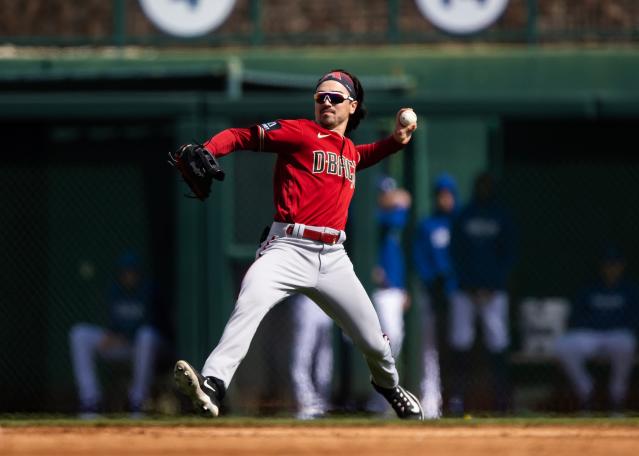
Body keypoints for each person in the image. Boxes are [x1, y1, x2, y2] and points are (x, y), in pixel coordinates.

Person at [173, 69, 424, 420]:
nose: (325, 101)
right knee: (249, 304)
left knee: (374, 343)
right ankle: (213, 384)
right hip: (287, 248)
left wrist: (397, 140)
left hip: (334, 258)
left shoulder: (349, 151)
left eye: (334, 97)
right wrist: (210, 148)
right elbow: (241, 135)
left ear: (352, 106)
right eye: (320, 96)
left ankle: (391, 387)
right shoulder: (301, 131)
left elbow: (368, 154)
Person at [448, 171, 517, 415]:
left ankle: (502, 399)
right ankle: (457, 398)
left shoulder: (502, 215)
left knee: (498, 341)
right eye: (481, 185)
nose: (484, 189)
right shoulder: (464, 215)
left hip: (493, 292)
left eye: (488, 185)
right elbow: (456, 253)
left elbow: (508, 255)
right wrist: (470, 285)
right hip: (465, 291)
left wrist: (492, 285)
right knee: (460, 341)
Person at [69, 251, 165, 417]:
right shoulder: (114, 291)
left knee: (146, 335)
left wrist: (124, 336)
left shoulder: (149, 291)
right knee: (79, 334)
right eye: (125, 272)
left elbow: (154, 324)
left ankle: (138, 401)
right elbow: (112, 325)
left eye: (132, 272)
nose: (128, 276)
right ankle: (90, 401)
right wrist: (112, 335)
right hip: (120, 346)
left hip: (146, 348)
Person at [554, 245, 638, 413]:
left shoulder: (631, 290)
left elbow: (634, 320)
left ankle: (617, 395)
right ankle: (586, 389)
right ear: (602, 266)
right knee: (562, 346)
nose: (611, 269)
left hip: (617, 336)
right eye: (608, 265)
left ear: (621, 266)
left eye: (614, 265)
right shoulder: (589, 288)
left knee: (627, 344)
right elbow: (575, 318)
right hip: (591, 335)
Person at [413, 173, 458, 418]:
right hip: (433, 296)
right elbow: (420, 260)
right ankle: (431, 400)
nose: (445, 199)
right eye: (441, 194)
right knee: (430, 350)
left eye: (449, 194)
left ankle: (456, 397)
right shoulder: (427, 225)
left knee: (457, 346)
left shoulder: (460, 223)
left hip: (458, 297)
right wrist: (432, 281)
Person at [366, 176, 411, 415]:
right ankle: (379, 396)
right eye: (385, 193)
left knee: (395, 340)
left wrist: (403, 288)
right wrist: (401, 201)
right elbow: (397, 207)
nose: (389, 197)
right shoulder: (373, 217)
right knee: (382, 340)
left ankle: (385, 395)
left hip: (393, 290)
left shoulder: (393, 219)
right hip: (375, 291)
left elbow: (400, 214)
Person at [290, 294, 334, 419]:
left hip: (312, 301)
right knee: (318, 357)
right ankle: (315, 403)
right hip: (321, 301)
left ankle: (312, 404)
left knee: (310, 357)